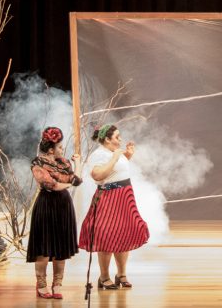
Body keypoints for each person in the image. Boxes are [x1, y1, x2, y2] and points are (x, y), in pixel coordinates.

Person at [77, 123, 149, 290]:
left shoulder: (114, 152)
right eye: (117, 137)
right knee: (106, 236)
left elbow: (117, 170)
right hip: (108, 197)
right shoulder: (98, 154)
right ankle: (104, 277)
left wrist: (127, 155)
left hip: (124, 196)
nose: (120, 139)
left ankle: (121, 274)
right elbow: (98, 175)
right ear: (107, 140)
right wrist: (115, 157)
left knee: (124, 234)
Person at [26, 126, 82, 299]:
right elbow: (51, 185)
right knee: (44, 249)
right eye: (60, 147)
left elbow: (77, 179)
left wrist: (78, 163)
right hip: (46, 205)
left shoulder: (64, 162)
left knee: (60, 249)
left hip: (63, 205)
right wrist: (70, 183)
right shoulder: (38, 163)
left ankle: (57, 284)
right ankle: (41, 284)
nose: (62, 149)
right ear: (51, 149)